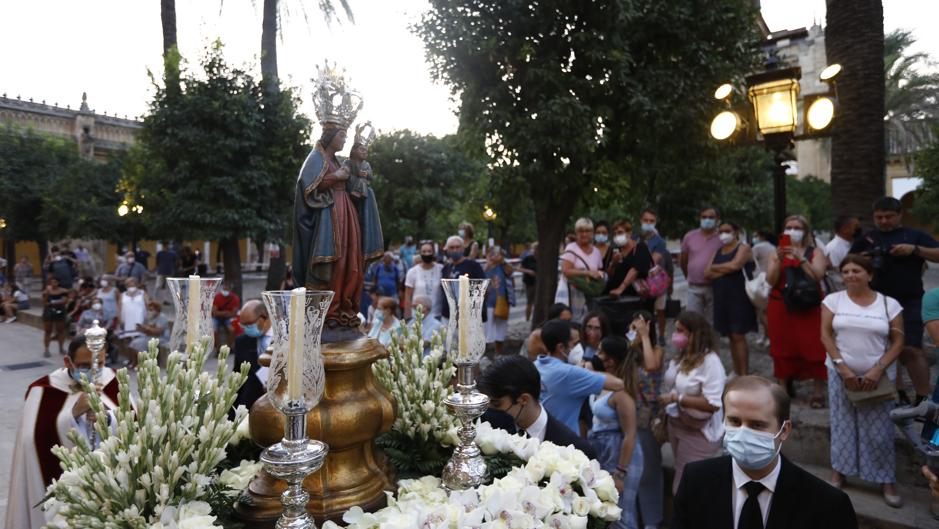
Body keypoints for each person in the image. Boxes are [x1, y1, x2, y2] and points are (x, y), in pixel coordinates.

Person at [671, 375, 858, 529]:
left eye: (757, 425)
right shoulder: (695, 481)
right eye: (735, 422)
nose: (743, 432)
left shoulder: (827, 504)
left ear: (784, 430)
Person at [5, 336, 120, 529]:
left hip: (107, 484)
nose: (92, 371)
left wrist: (108, 419)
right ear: (68, 362)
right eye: (84, 365)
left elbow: (134, 424)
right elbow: (31, 440)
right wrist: (73, 415)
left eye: (99, 364)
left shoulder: (113, 379)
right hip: (62, 483)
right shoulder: (42, 389)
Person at [820, 254, 904, 507]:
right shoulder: (832, 300)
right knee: (842, 424)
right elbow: (825, 336)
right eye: (845, 271)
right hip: (840, 374)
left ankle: (885, 478)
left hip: (878, 377)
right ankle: (839, 471)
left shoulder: (889, 304)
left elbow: (898, 341)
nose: (850, 275)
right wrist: (842, 368)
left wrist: (877, 369)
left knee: (880, 431)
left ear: (870, 275)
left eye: (856, 270)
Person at [850, 196, 939, 405]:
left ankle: (923, 398)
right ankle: (897, 392)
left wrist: (915, 250)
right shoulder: (867, 238)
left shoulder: (913, 235)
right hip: (875, 301)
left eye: (888, 217)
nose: (883, 221)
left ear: (899, 215)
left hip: (910, 300)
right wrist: (864, 259)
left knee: (911, 348)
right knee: (883, 349)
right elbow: (847, 265)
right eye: (879, 217)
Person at [660, 310, 727, 493]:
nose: (675, 336)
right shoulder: (682, 356)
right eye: (676, 330)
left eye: (680, 331)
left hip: (698, 431)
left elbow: (713, 403)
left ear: (694, 334)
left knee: (684, 487)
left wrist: (677, 398)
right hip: (677, 424)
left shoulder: (710, 362)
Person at [478, 354, 596, 458]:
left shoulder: (576, 450)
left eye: (496, 404)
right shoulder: (486, 428)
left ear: (524, 399)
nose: (490, 409)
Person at [765, 215, 828, 408]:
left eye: (797, 227)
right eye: (788, 227)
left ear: (805, 231)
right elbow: (771, 280)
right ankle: (783, 388)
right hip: (781, 305)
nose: (792, 231)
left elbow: (817, 275)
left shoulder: (814, 252)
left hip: (808, 306)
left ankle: (818, 390)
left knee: (814, 346)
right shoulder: (775, 253)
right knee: (781, 347)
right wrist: (778, 261)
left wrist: (800, 260)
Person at [591, 336, 644, 529]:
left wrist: (620, 473)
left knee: (621, 513)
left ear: (610, 360)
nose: (596, 355)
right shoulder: (604, 383)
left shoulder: (622, 394)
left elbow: (630, 434)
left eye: (600, 351)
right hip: (604, 450)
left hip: (621, 455)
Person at [535, 319, 624, 433]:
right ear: (561, 347)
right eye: (574, 344)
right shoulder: (569, 373)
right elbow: (618, 384)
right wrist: (587, 370)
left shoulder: (536, 365)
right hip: (563, 444)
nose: (577, 348)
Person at [629, 312, 666, 529]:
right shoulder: (630, 352)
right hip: (629, 418)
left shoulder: (657, 351)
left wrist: (644, 337)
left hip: (648, 419)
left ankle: (652, 521)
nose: (635, 331)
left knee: (650, 470)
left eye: (639, 327)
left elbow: (652, 365)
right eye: (632, 327)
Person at [706, 222, 757, 376]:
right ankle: (737, 371)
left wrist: (717, 268)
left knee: (738, 335)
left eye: (727, 231)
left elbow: (736, 265)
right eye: (720, 231)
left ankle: (744, 373)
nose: (723, 234)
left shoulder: (743, 247)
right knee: (730, 336)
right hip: (722, 298)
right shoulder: (718, 251)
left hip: (739, 297)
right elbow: (707, 273)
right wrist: (725, 268)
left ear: (735, 232)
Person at [680, 206, 723, 323]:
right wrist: (688, 276)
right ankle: (697, 342)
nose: (707, 220)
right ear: (699, 218)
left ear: (717, 219)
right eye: (704, 217)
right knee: (693, 321)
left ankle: (713, 341)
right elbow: (683, 260)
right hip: (694, 287)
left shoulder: (722, 238)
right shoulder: (689, 236)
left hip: (715, 287)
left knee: (714, 322)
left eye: (711, 217)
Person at [232, 299, 273, 415]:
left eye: (248, 324)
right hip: (249, 405)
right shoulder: (242, 341)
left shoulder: (284, 338)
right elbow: (237, 377)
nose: (245, 328)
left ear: (263, 318)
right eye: (242, 324)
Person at [559, 217, 605, 320]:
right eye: (581, 231)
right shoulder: (571, 248)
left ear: (592, 233)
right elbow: (566, 271)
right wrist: (587, 273)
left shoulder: (596, 252)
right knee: (575, 321)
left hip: (591, 293)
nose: (584, 234)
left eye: (587, 231)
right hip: (575, 293)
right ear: (576, 233)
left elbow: (598, 271)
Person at [639, 208, 672, 345]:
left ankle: (661, 336)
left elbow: (651, 261)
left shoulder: (660, 242)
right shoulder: (634, 237)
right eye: (646, 220)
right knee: (643, 313)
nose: (648, 223)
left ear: (656, 222)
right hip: (639, 283)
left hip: (657, 284)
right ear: (641, 221)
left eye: (651, 221)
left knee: (660, 311)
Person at [439, 236, 487, 322]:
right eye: (452, 247)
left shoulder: (473, 266)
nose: (455, 250)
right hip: (448, 316)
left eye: (457, 247)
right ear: (447, 249)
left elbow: (482, 289)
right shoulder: (446, 268)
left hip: (468, 317)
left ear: (463, 248)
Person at [606, 220, 654, 299]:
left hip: (636, 296)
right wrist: (613, 263)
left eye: (620, 232)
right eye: (615, 234)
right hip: (617, 297)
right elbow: (609, 276)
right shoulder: (615, 250)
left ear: (629, 233)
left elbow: (635, 270)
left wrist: (620, 289)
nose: (617, 236)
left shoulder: (640, 247)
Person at [484, 246, 515, 355]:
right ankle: (488, 352)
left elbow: (510, 272)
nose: (494, 256)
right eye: (492, 253)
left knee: (501, 327)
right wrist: (488, 263)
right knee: (487, 327)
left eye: (497, 253)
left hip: (502, 300)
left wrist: (502, 261)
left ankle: (498, 352)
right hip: (488, 301)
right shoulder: (486, 267)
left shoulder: (504, 266)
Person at [404, 241, 443, 320]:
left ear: (433, 253)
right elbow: (408, 296)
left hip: (436, 315)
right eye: (424, 251)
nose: (427, 254)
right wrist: (407, 317)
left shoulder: (441, 269)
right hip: (417, 315)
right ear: (420, 253)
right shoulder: (412, 272)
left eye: (429, 251)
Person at [750, 230, 776, 347]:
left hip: (759, 281)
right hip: (771, 280)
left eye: (756, 235)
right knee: (766, 312)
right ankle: (766, 336)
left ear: (762, 236)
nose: (755, 237)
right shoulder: (773, 247)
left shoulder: (757, 247)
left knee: (762, 313)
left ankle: (769, 336)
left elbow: (751, 262)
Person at [42, 276, 70, 357]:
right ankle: (46, 349)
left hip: (60, 311)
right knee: (48, 331)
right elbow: (44, 302)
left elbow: (64, 301)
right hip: (49, 311)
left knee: (60, 331)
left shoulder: (63, 291)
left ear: (58, 283)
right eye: (52, 282)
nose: (53, 284)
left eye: (55, 282)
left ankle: (61, 348)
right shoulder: (47, 291)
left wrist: (51, 303)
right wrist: (47, 294)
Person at [212, 282, 241, 352]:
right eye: (224, 289)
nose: (225, 291)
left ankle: (229, 348)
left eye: (227, 289)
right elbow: (214, 313)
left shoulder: (235, 298)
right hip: (217, 318)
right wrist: (226, 313)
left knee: (232, 329)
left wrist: (221, 313)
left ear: (230, 290)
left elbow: (234, 313)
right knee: (214, 330)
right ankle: (218, 349)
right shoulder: (217, 297)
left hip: (228, 318)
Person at [154, 241, 178, 305]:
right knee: (158, 285)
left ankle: (165, 300)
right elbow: (157, 262)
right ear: (163, 246)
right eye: (165, 246)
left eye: (167, 245)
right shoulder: (159, 253)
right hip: (161, 272)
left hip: (169, 272)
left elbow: (175, 261)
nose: (166, 247)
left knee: (165, 286)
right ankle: (154, 298)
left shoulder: (172, 253)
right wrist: (157, 269)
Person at [519, 242, 538, 321]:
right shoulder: (528, 258)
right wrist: (528, 271)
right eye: (535, 249)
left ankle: (536, 318)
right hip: (530, 283)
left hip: (540, 283)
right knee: (529, 302)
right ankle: (527, 319)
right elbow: (519, 268)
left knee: (537, 303)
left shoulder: (543, 258)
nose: (536, 251)